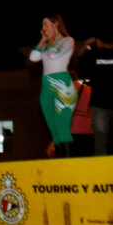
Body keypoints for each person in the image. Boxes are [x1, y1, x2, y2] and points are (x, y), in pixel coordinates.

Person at [29, 15, 77, 158]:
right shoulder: (45, 46)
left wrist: (50, 40)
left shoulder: (68, 41)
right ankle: (59, 164)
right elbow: (33, 57)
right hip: (46, 87)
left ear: (56, 24)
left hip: (62, 87)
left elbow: (54, 55)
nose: (43, 28)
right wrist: (43, 40)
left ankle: (68, 164)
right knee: (54, 130)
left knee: (62, 128)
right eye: (42, 25)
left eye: (46, 24)